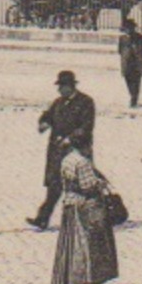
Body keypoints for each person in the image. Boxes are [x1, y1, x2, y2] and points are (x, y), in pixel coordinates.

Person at [50, 135, 119, 284]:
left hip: (70, 203)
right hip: (84, 205)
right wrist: (100, 183)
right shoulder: (83, 162)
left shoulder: (67, 159)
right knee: (85, 246)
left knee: (70, 244)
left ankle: (67, 283)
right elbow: (87, 186)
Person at [29, 70, 96, 231]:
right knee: (54, 186)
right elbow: (47, 116)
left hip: (77, 151)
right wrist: (43, 123)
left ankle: (91, 219)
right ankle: (42, 219)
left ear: (70, 86)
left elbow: (86, 127)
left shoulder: (86, 102)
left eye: (62, 86)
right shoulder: (58, 102)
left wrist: (71, 139)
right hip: (57, 151)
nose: (59, 90)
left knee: (82, 187)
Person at [118, 18, 142, 107]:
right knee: (128, 81)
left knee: (136, 82)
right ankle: (132, 95)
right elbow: (120, 51)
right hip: (126, 64)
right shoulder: (122, 38)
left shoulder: (140, 37)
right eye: (126, 28)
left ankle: (134, 98)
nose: (128, 30)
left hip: (136, 63)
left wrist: (138, 55)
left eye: (130, 28)